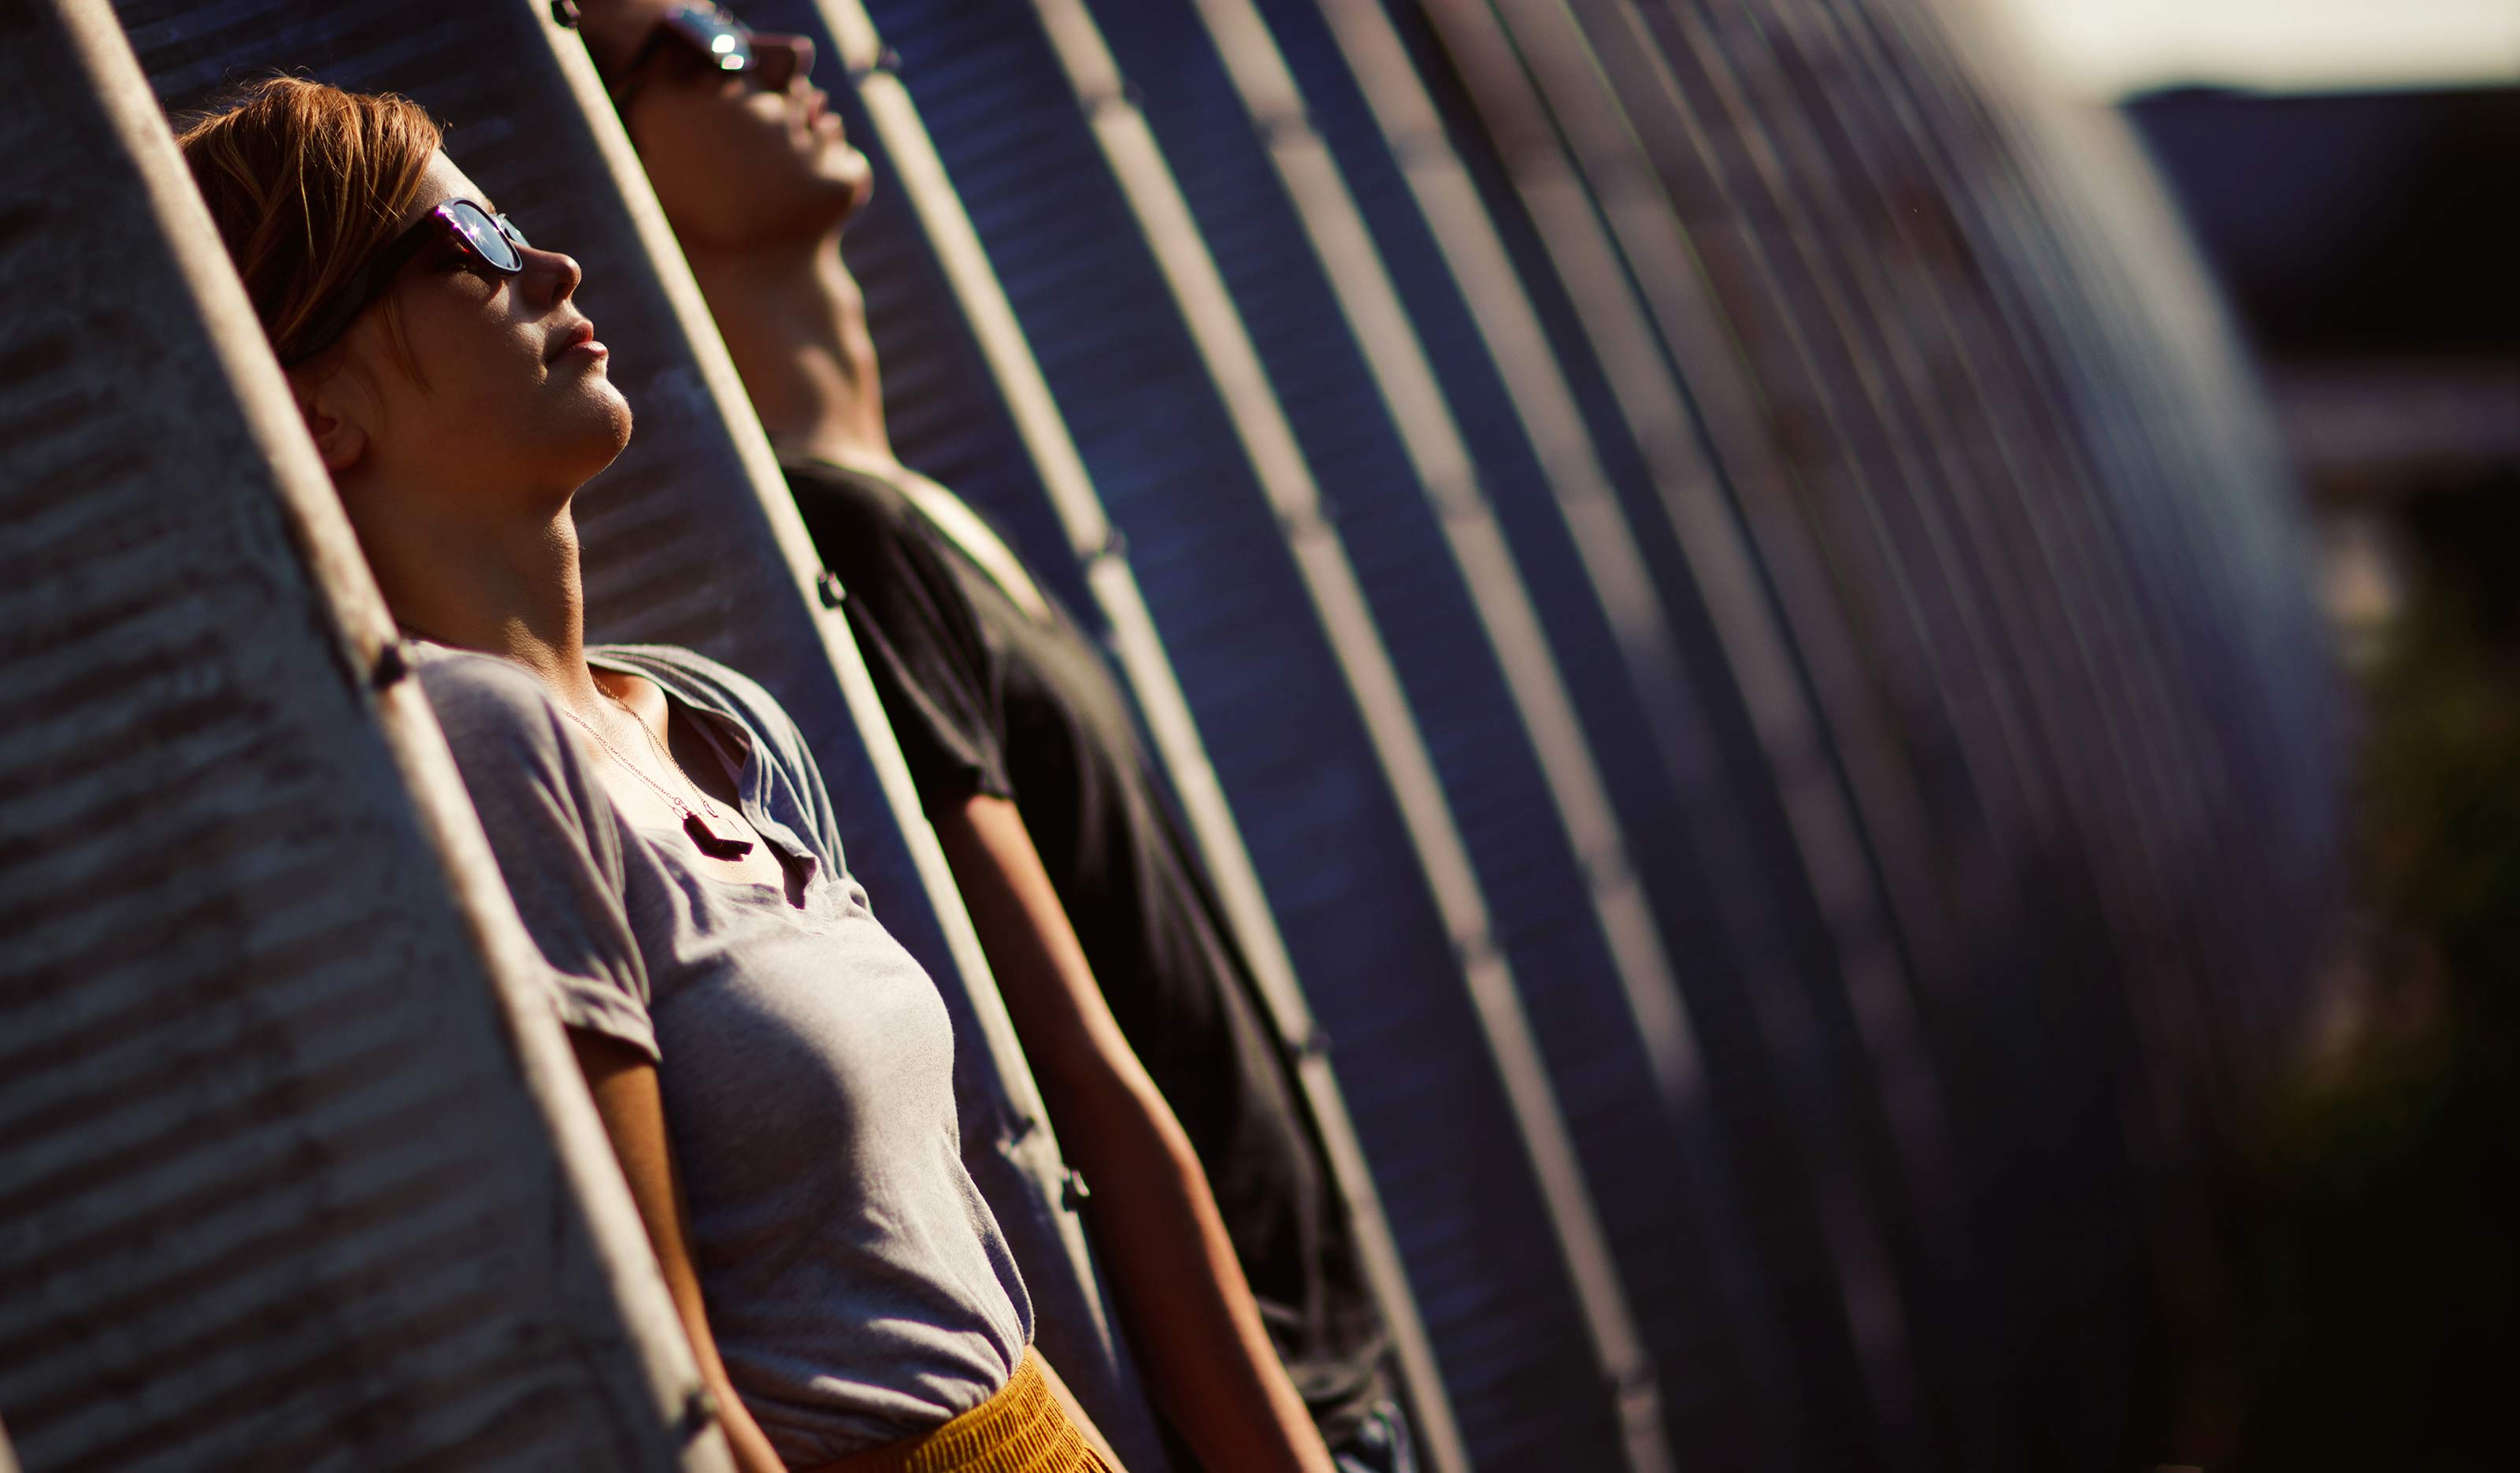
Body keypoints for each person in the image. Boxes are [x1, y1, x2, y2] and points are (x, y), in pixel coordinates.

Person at [176, 76, 1126, 1473]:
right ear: (313, 412)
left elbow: (951, 1283)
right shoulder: (471, 746)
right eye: (468, 245)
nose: (553, 265)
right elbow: (665, 1387)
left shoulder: (709, 723)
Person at [576, 9, 1412, 1473]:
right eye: (706, 43)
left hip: (1320, 1372)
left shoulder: (915, 512)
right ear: (614, 162)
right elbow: (1072, 1070)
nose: (784, 50)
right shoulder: (843, 541)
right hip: (1263, 1409)